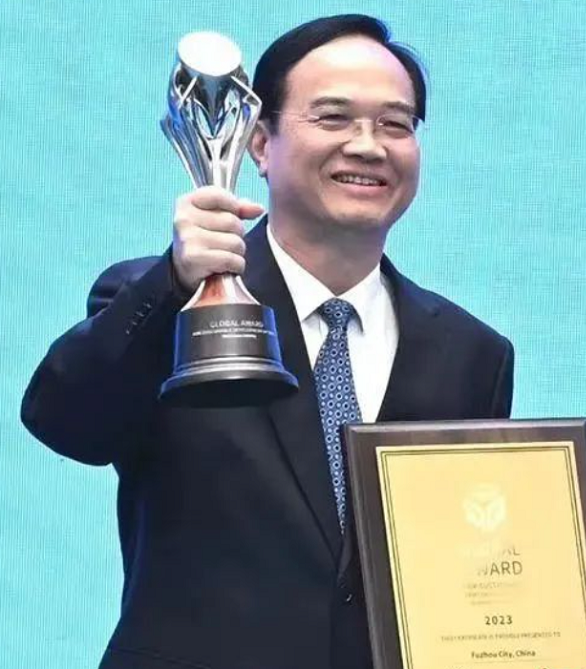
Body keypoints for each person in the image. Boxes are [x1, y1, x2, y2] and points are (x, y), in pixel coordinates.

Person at [21, 14, 514, 669]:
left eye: (395, 124)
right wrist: (173, 281)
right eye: (333, 117)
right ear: (259, 143)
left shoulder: (471, 353)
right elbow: (66, 423)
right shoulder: (171, 302)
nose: (368, 145)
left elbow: (460, 563)